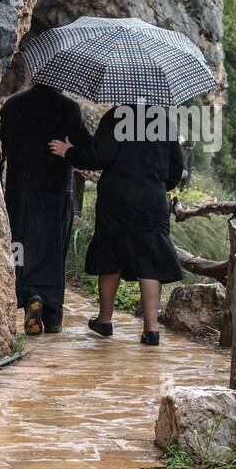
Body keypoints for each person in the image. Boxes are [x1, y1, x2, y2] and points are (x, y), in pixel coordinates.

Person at [49, 102, 185, 346]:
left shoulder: (115, 117)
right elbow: (176, 169)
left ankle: (104, 320)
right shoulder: (163, 120)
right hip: (152, 200)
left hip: (116, 199)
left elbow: (98, 157)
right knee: (149, 260)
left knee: (110, 256)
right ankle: (151, 330)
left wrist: (69, 151)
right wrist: (154, 185)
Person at [0, 82, 92, 335]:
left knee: (21, 248)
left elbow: (2, 146)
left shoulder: (13, 104)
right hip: (56, 192)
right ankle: (52, 316)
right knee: (53, 253)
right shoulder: (69, 109)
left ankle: (29, 295)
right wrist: (70, 151)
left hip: (20, 191)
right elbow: (88, 149)